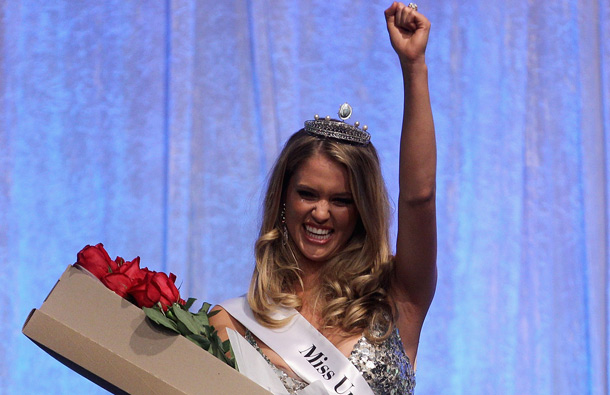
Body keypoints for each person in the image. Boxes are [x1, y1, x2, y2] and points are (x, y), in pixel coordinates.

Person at [210, 2, 436, 394]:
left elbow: (420, 198)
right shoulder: (232, 324)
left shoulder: (397, 296)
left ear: (362, 211)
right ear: (282, 197)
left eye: (341, 200)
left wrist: (413, 67)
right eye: (307, 194)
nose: (320, 212)